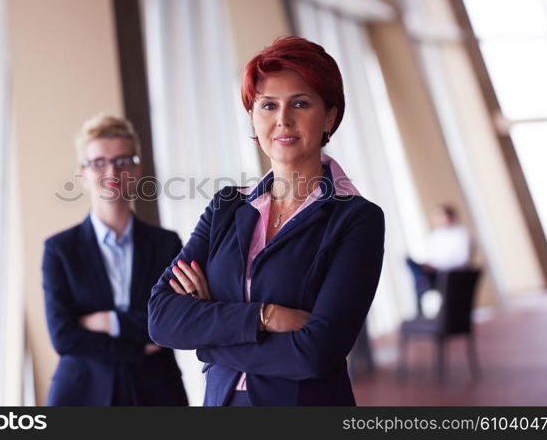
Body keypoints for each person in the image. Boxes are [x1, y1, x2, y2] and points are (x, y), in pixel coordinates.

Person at [147, 36, 385, 406]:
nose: (282, 120)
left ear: (329, 116)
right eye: (268, 105)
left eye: (301, 103)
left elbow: (315, 352)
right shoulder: (227, 206)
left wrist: (209, 338)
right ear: (253, 118)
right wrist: (264, 316)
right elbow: (162, 318)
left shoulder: (356, 219)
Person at [42, 114, 188, 406]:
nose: (112, 172)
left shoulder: (165, 244)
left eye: (122, 162)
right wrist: (138, 347)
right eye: (99, 162)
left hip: (157, 391)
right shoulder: (60, 249)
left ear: (137, 169)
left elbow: (174, 322)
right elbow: (64, 337)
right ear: (83, 173)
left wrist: (108, 321)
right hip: (82, 393)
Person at [406, 204, 471, 317]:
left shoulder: (461, 234)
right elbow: (431, 257)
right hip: (434, 271)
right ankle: (422, 282)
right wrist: (428, 264)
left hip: (451, 274)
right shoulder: (435, 236)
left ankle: (420, 306)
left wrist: (438, 265)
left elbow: (462, 260)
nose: (441, 219)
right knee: (409, 261)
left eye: (443, 215)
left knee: (420, 281)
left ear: (451, 216)